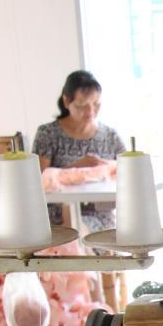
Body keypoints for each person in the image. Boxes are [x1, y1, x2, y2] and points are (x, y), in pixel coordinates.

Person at [31, 70, 125, 232]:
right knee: (73, 231)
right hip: (57, 214)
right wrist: (75, 169)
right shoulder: (48, 134)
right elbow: (39, 181)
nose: (91, 111)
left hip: (99, 214)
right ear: (66, 101)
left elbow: (128, 174)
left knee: (85, 232)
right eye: (82, 105)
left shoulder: (110, 136)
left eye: (96, 104)